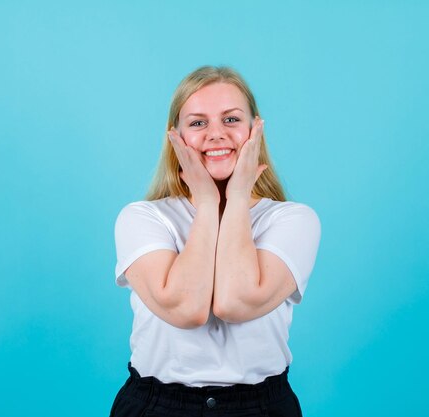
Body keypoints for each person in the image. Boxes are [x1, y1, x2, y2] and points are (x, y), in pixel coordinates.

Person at [110, 66, 321, 416]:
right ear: (174, 138)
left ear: (255, 131)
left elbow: (235, 302)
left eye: (231, 119)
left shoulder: (294, 220)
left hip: (260, 406)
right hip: (158, 405)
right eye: (197, 123)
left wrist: (237, 198)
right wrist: (207, 203)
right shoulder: (141, 218)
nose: (216, 134)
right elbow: (187, 308)